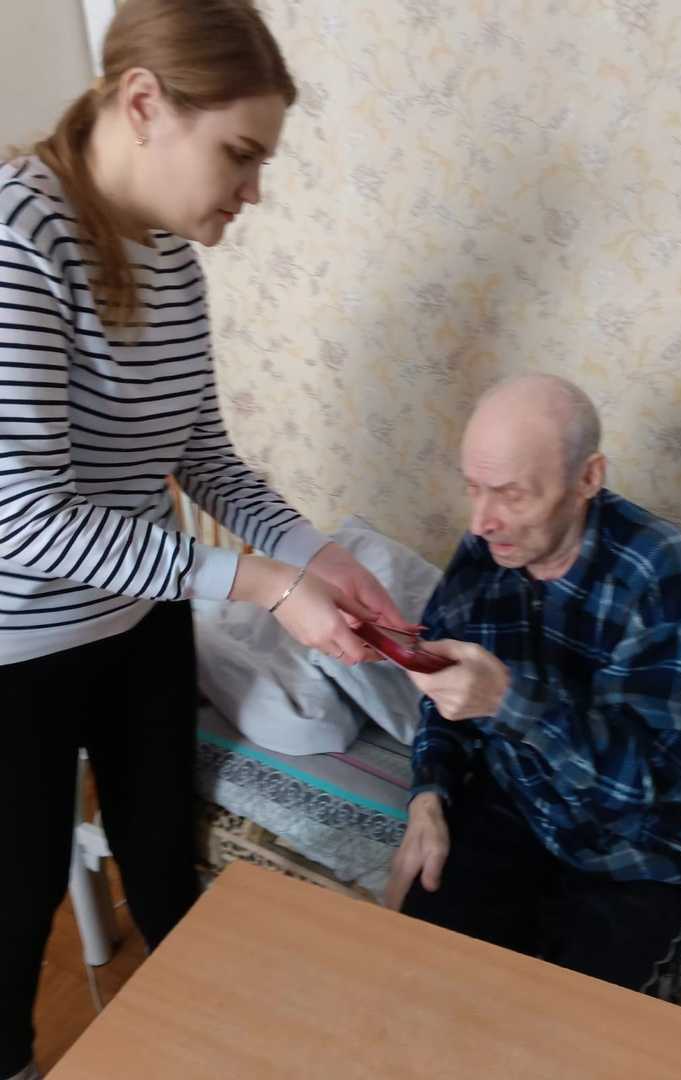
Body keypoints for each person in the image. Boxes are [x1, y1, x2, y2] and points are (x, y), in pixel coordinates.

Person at [0, 3, 414, 1078]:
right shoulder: (17, 242)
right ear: (144, 104)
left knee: (167, 869)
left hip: (139, 618)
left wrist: (318, 558)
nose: (255, 190)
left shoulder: (173, 263)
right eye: (240, 153)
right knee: (14, 908)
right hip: (17, 645)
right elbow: (23, 516)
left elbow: (204, 461)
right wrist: (263, 585)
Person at [384, 373, 681, 994]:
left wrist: (510, 701)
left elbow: (653, 783)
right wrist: (429, 796)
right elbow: (442, 698)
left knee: (568, 1020)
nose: (482, 521)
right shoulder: (485, 548)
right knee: (422, 982)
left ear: (588, 478)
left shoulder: (658, 563)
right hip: (515, 801)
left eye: (512, 495)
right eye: (473, 489)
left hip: (635, 845)